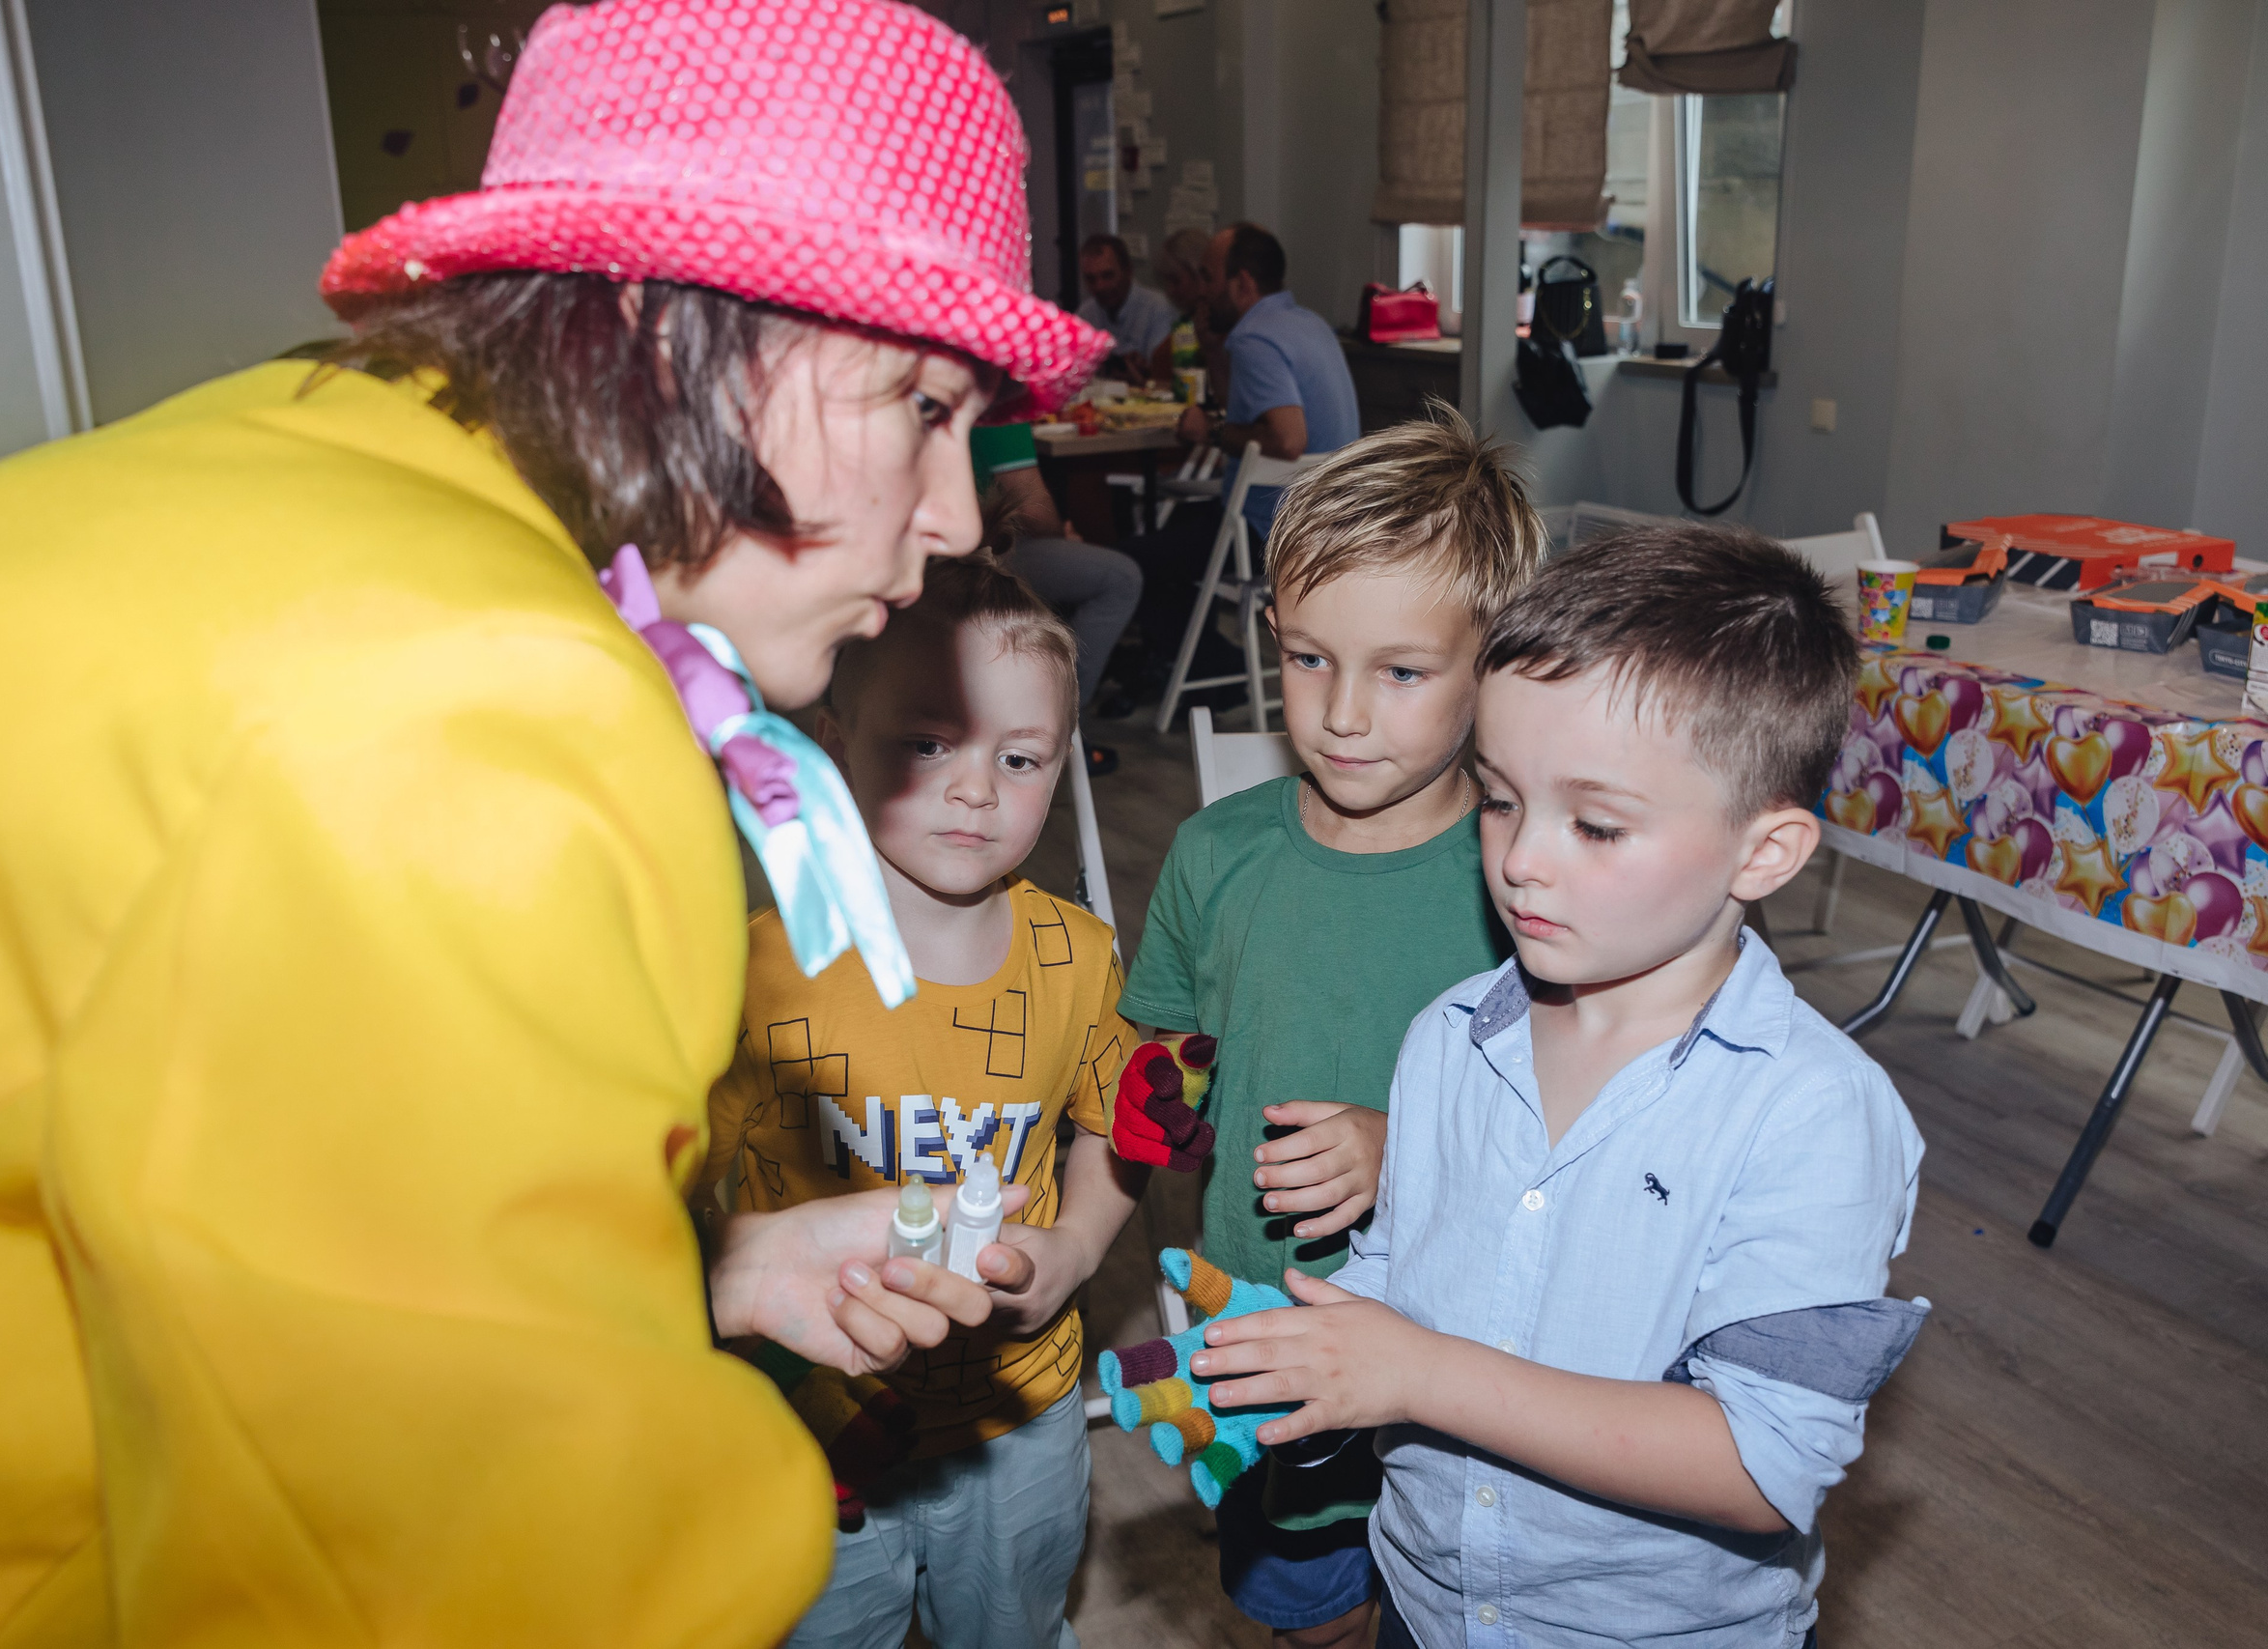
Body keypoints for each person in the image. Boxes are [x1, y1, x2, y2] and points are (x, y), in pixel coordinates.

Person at [0, 4, 1113, 1646]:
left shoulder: (317, 451)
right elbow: (466, 1572)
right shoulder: (485, 715)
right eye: (921, 406)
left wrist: (694, 1276)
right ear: (672, 335)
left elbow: (253, 1246)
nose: (960, 515)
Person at [1193, 526, 1930, 1649]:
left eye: (1594, 823)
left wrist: (1419, 1375)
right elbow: (1400, 1276)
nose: (1521, 860)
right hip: (1425, 1609)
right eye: (1499, 799)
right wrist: (1306, 1364)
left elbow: (1757, 1463)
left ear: (1764, 853)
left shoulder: (1812, 1115)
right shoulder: (1448, 1040)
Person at [1116, 412, 1544, 1649]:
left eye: (1400, 673)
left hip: (1467, 1370)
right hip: (1263, 1347)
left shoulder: (1532, 882)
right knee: (1305, 1611)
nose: (1342, 714)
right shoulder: (1214, 855)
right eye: (1309, 659)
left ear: (1495, 667)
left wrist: (1404, 1144)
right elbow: (1151, 1074)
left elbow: (1594, 1130)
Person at [702, 554, 1145, 1649]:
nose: (977, 788)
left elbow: (1115, 1123)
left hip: (1018, 1414)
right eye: (930, 743)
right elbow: (667, 1199)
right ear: (835, 743)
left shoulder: (1079, 955)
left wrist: (1078, 1250)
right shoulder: (753, 974)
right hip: (812, 1413)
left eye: (1019, 757)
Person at [1136, 222, 1361, 697]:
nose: (1202, 290)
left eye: (1209, 276)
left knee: (1133, 564)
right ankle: (1214, 672)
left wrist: (1210, 432)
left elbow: (1287, 439)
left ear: (1242, 283)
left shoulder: (1254, 338)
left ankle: (1218, 677)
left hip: (1269, 529)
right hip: (1331, 522)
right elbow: (1247, 411)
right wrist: (1214, 353)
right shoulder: (1309, 323)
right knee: (1173, 541)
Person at [968, 419, 1144, 767]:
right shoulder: (999, 408)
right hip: (972, 553)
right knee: (1120, 578)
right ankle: (1059, 725)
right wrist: (1061, 533)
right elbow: (1032, 507)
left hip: (900, 554)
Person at [1076, 232, 1178, 374]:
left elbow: (1161, 374)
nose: (1100, 286)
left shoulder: (1159, 310)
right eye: (1091, 279)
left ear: (1128, 271)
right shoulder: (1086, 314)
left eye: (1108, 276)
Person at [1147, 226, 1227, 393]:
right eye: (1166, 282)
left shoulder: (1223, 321)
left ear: (1200, 274)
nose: (1170, 290)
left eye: (1175, 281)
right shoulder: (1187, 322)